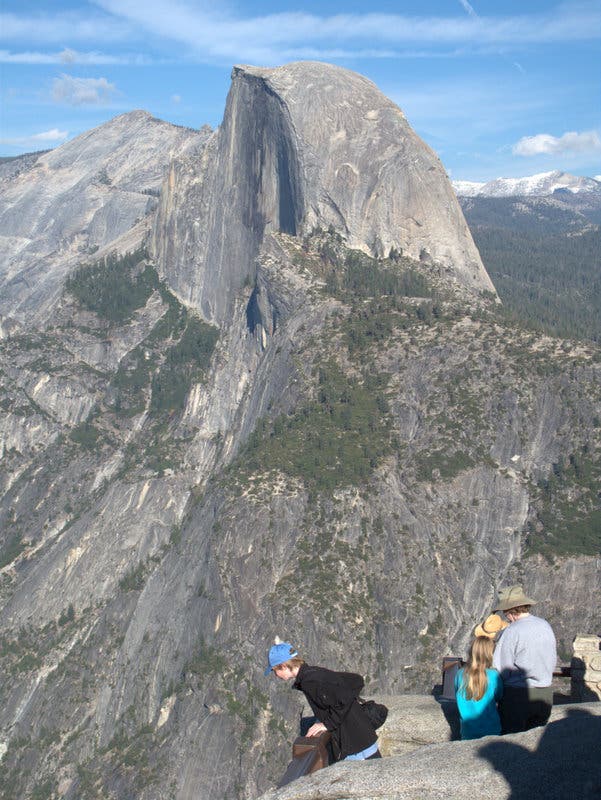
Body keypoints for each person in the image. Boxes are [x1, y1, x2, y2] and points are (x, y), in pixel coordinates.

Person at [265, 641, 381, 761]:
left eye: (274, 670)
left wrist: (327, 724)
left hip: (355, 744)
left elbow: (344, 700)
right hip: (363, 735)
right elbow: (356, 680)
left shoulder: (309, 682)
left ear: (283, 666)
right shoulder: (314, 672)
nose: (276, 675)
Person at [492, 585, 557, 734]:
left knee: (510, 739)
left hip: (517, 695)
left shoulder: (511, 631)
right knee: (535, 739)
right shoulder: (545, 625)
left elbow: (502, 667)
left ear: (509, 611)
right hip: (545, 694)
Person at [454, 636, 503, 739]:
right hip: (491, 729)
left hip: (468, 731)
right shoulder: (494, 675)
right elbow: (499, 696)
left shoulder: (460, 674)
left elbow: (456, 694)